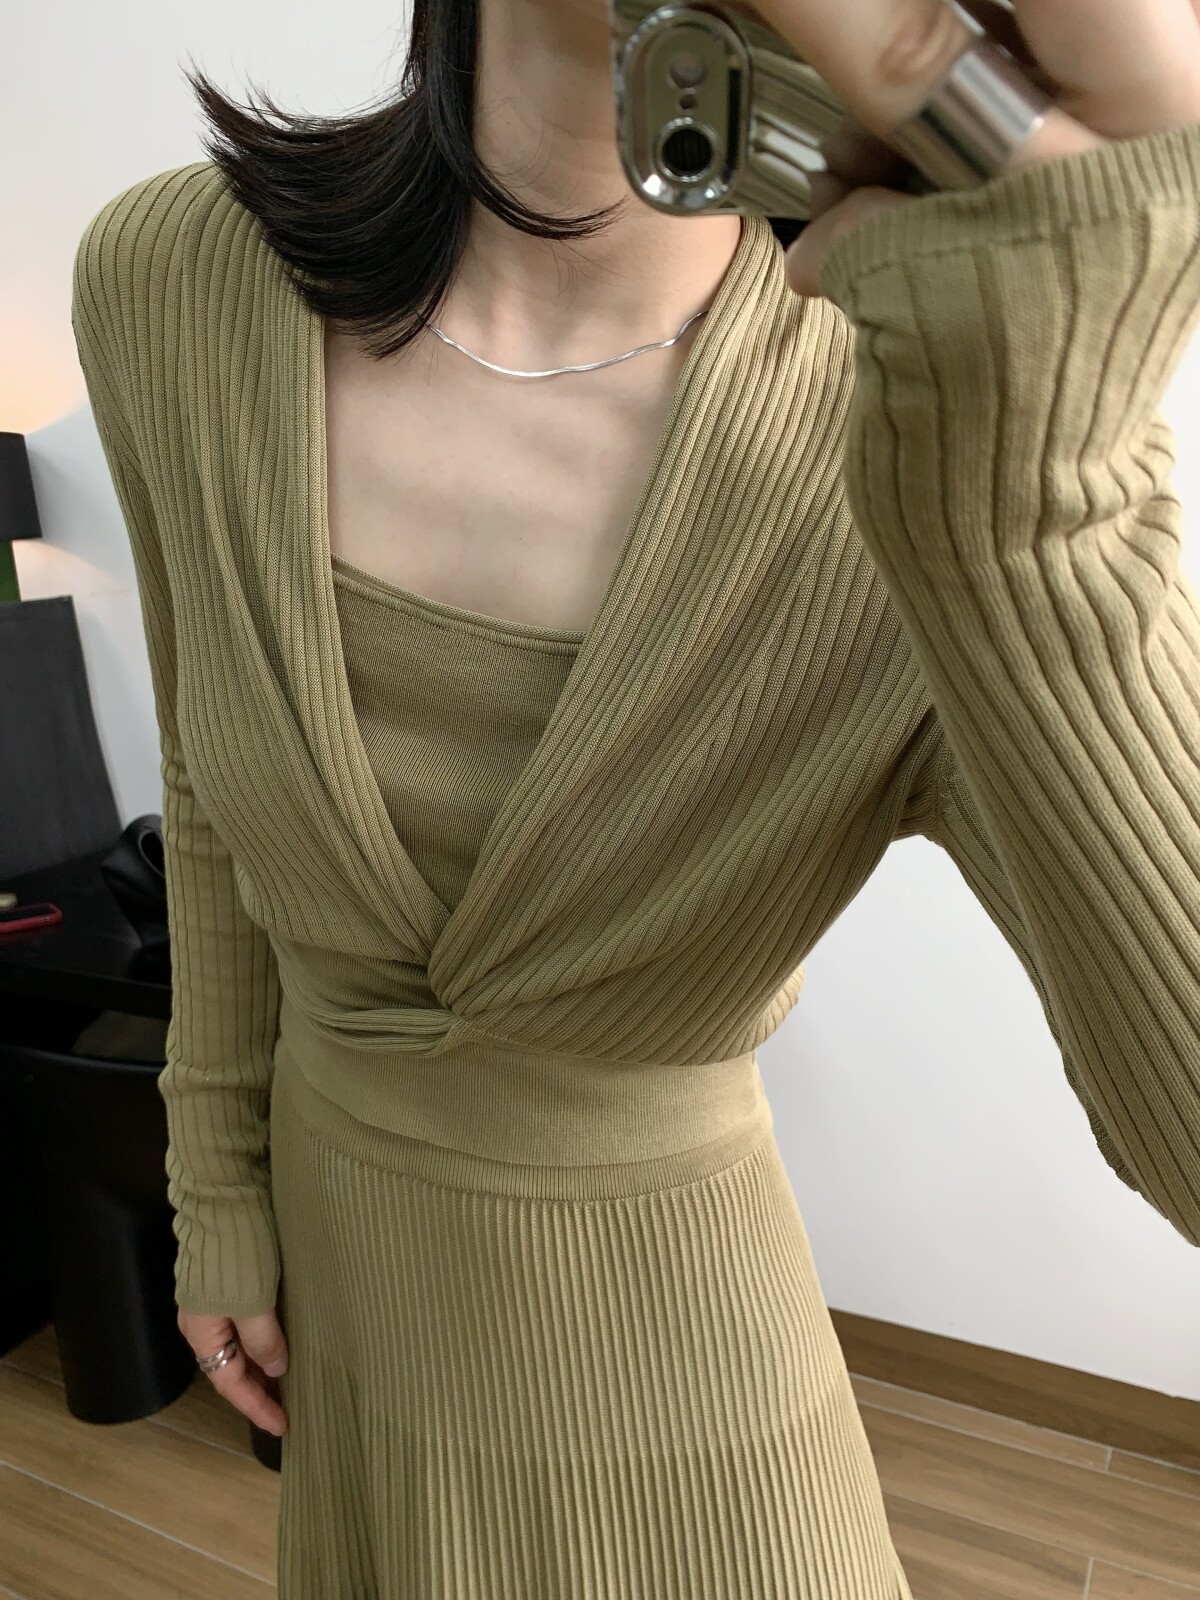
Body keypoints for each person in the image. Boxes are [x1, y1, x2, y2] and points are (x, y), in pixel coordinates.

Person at [71, 0, 1200, 1593]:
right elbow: (208, 783)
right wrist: (217, 1190)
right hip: (355, 1319)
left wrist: (1036, 507)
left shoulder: (945, 437)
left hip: (686, 1397)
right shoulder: (173, 282)